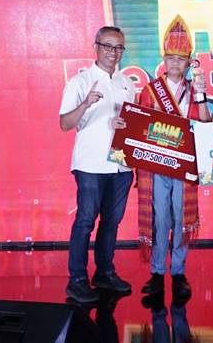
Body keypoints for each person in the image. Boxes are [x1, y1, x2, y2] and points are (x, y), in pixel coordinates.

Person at [137, 16, 212, 300]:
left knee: (182, 219)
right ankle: (157, 273)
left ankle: (178, 272)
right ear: (163, 59)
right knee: (160, 220)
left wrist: (203, 95)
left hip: (184, 166)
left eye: (181, 60)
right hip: (156, 166)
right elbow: (139, 125)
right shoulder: (149, 90)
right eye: (170, 58)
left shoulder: (195, 91)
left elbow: (205, 124)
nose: (175, 64)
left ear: (189, 61)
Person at [59, 26, 135, 303]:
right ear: (96, 47)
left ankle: (104, 273)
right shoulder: (81, 82)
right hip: (91, 163)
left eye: (118, 48)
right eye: (108, 46)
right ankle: (76, 280)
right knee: (85, 221)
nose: (113, 53)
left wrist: (124, 126)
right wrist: (87, 104)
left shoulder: (128, 83)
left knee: (112, 222)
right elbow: (65, 124)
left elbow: (133, 125)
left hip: (121, 166)